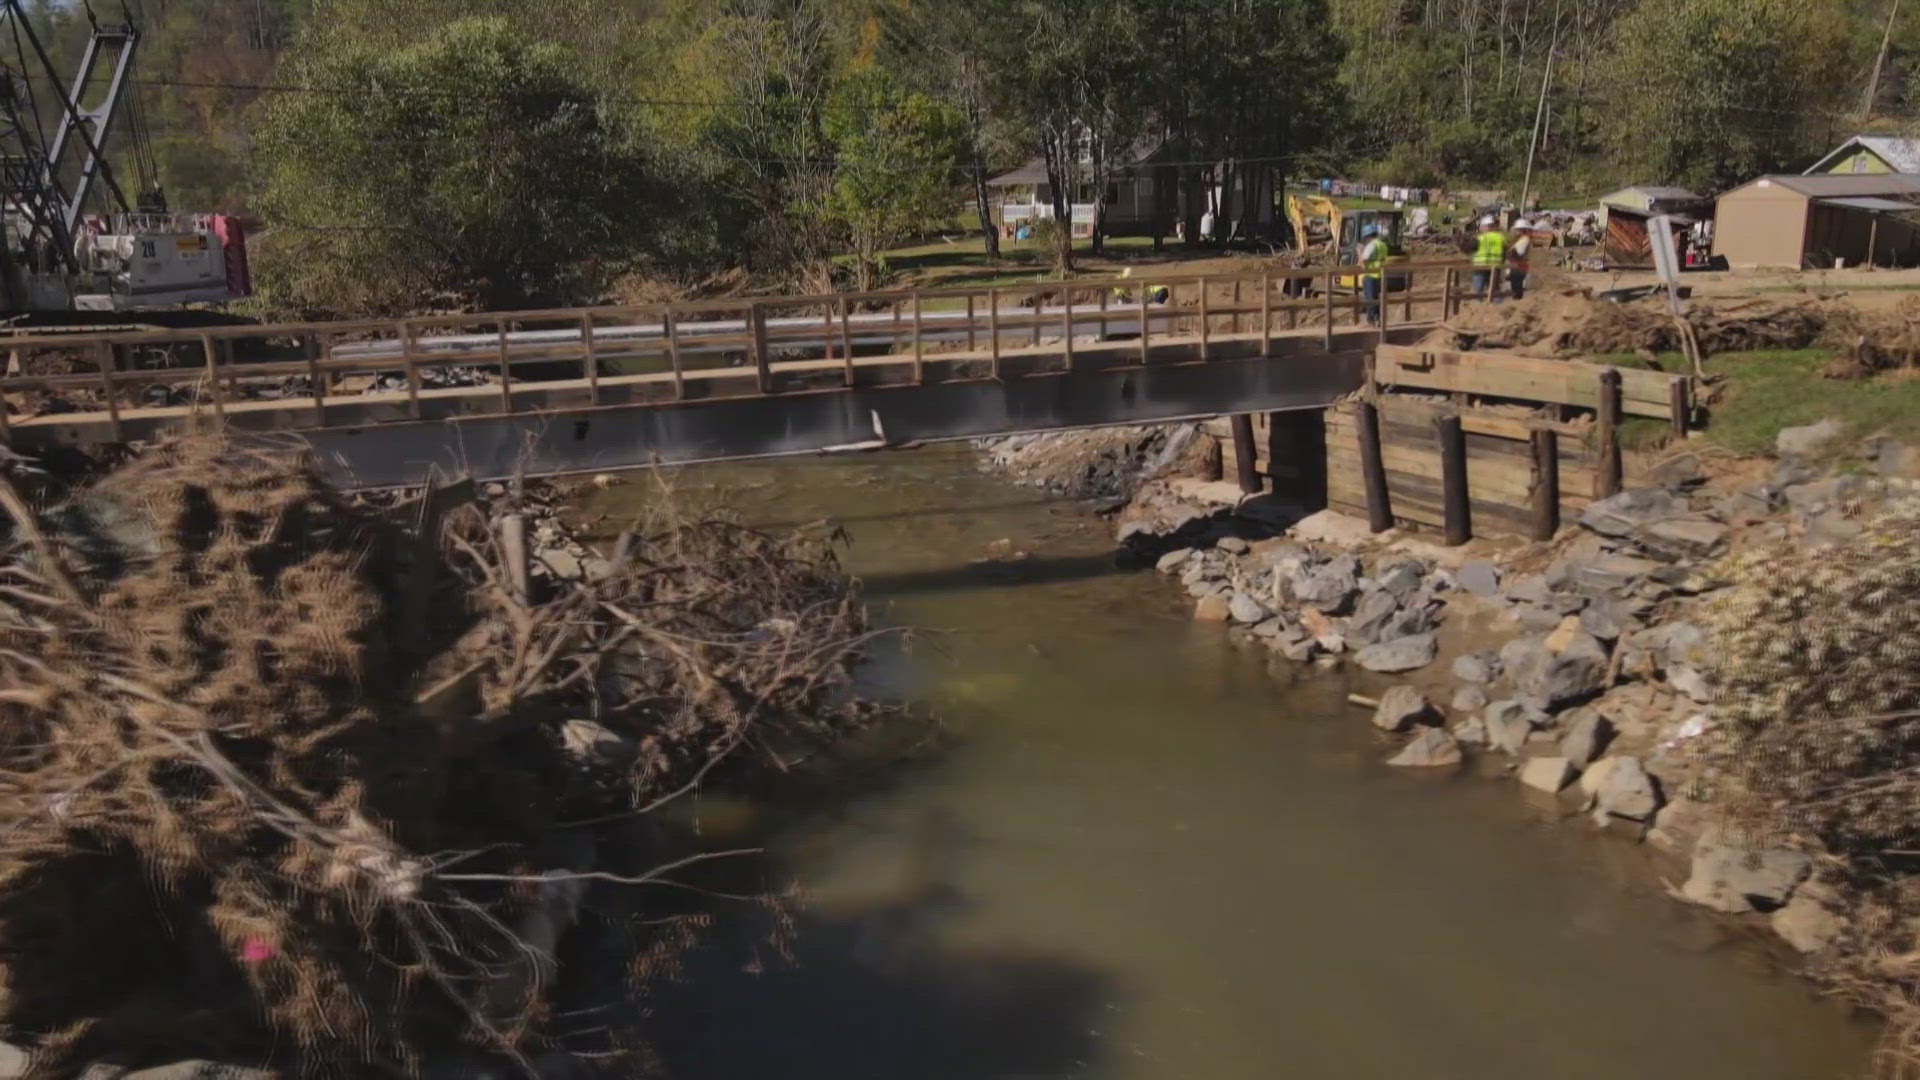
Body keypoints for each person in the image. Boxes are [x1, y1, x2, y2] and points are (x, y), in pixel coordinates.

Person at [1357, 224, 1388, 325]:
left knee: (1370, 298)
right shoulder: (1382, 244)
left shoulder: (1372, 245)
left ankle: (1372, 319)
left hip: (1370, 274)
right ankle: (1376, 318)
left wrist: (1360, 252)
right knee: (1375, 298)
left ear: (1368, 236)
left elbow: (1364, 259)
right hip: (1380, 275)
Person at [1472, 216, 1506, 302]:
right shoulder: (1501, 237)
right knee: (1495, 289)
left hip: (1480, 266)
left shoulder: (1479, 238)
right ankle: (1497, 309)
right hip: (1495, 266)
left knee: (1478, 290)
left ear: (1483, 227)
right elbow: (1505, 251)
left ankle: (1477, 309)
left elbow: (1470, 249)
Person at [1507, 219, 1534, 301]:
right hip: (1519, 266)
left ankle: (1517, 301)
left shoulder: (1524, 240)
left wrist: (1507, 252)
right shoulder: (1522, 239)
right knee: (1516, 285)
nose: (1514, 231)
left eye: (1516, 230)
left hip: (1518, 267)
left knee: (1516, 287)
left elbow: (1518, 253)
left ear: (1522, 230)